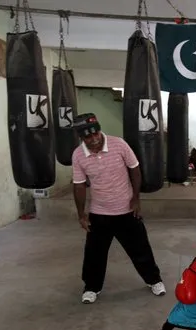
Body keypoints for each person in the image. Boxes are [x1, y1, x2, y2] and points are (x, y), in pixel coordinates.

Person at [71, 113, 166, 304]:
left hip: (127, 211)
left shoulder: (119, 144)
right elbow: (79, 185)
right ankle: (91, 287)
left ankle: (154, 280)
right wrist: (81, 214)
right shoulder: (78, 155)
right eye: (88, 137)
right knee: (94, 254)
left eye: (96, 133)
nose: (95, 138)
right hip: (99, 214)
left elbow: (135, 169)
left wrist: (136, 199)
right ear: (81, 137)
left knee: (141, 249)